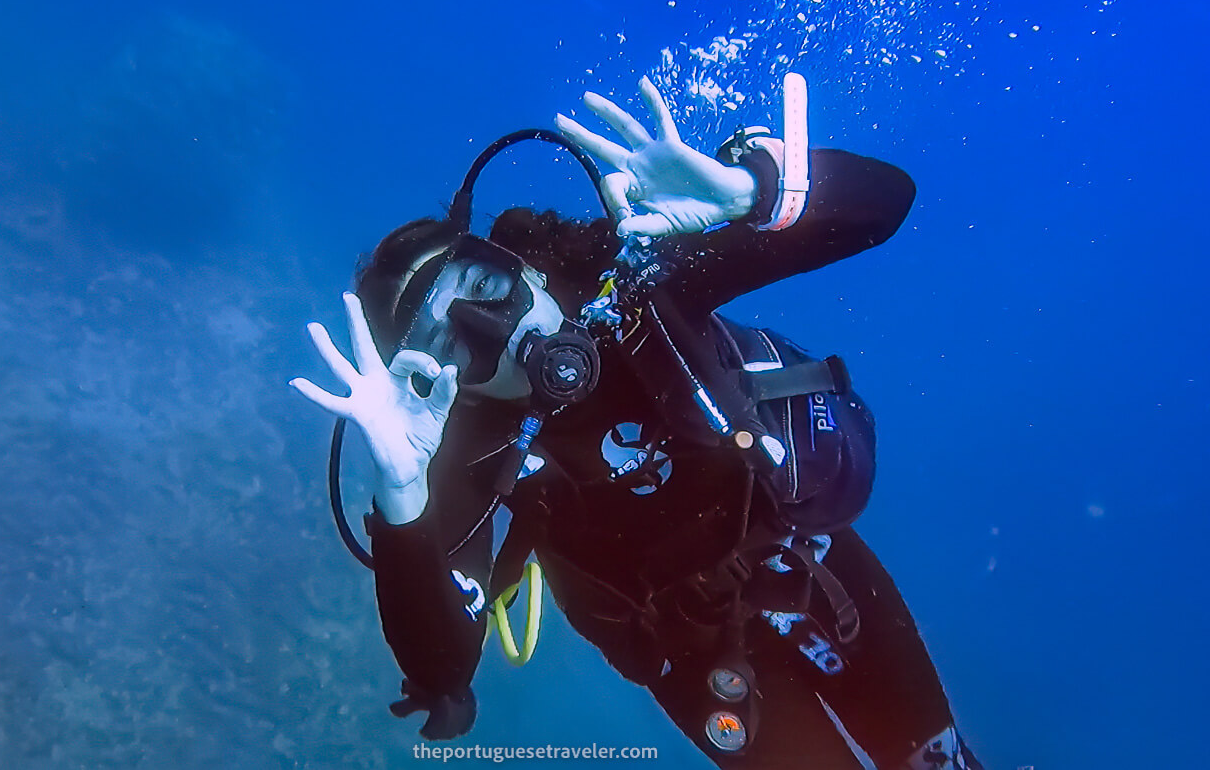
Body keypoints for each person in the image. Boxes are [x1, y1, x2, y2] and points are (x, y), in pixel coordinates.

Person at [290, 75, 982, 769]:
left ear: (519, 265)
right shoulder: (468, 446)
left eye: (484, 287)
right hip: (692, 654)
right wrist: (404, 494)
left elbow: (887, 204)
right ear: (436, 381)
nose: (493, 331)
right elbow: (444, 669)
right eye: (450, 344)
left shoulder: (637, 277)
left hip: (806, 557)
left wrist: (751, 193)